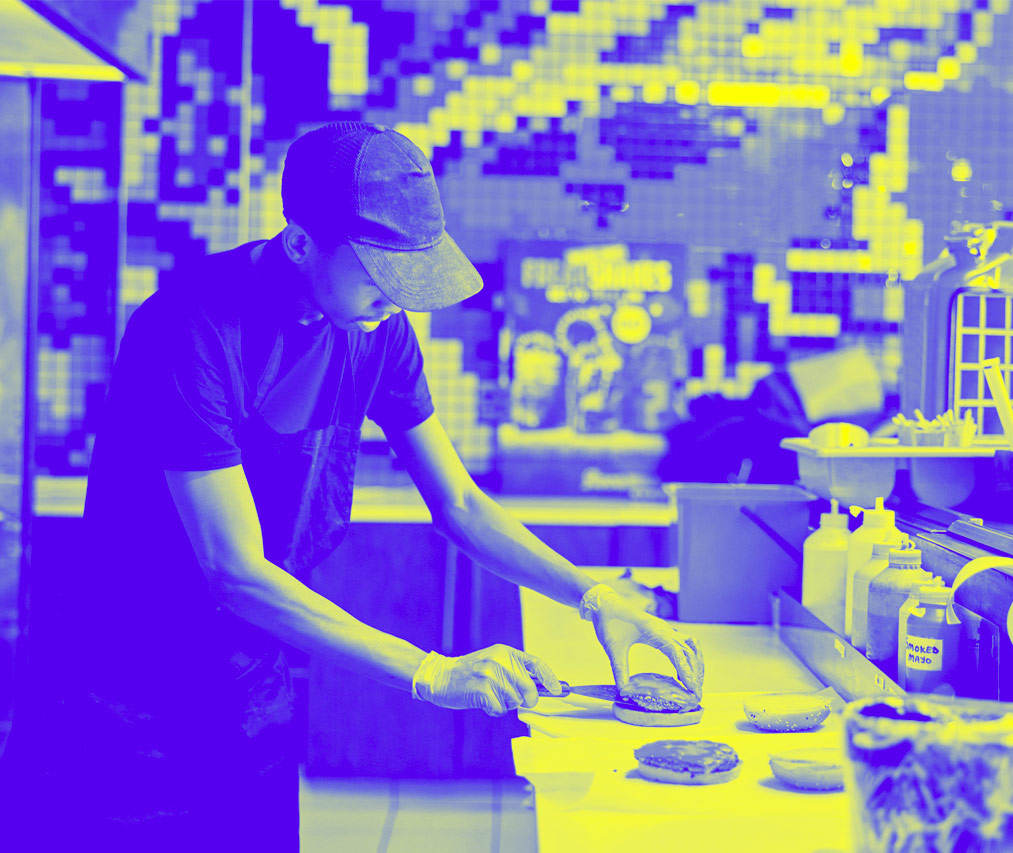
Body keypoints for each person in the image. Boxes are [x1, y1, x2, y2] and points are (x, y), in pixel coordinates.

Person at [0, 122, 703, 850]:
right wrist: (428, 671)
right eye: (379, 273)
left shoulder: (377, 329)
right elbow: (234, 572)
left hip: (248, 700)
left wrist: (594, 596)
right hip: (119, 708)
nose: (398, 300)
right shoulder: (190, 328)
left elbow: (458, 503)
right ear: (301, 242)